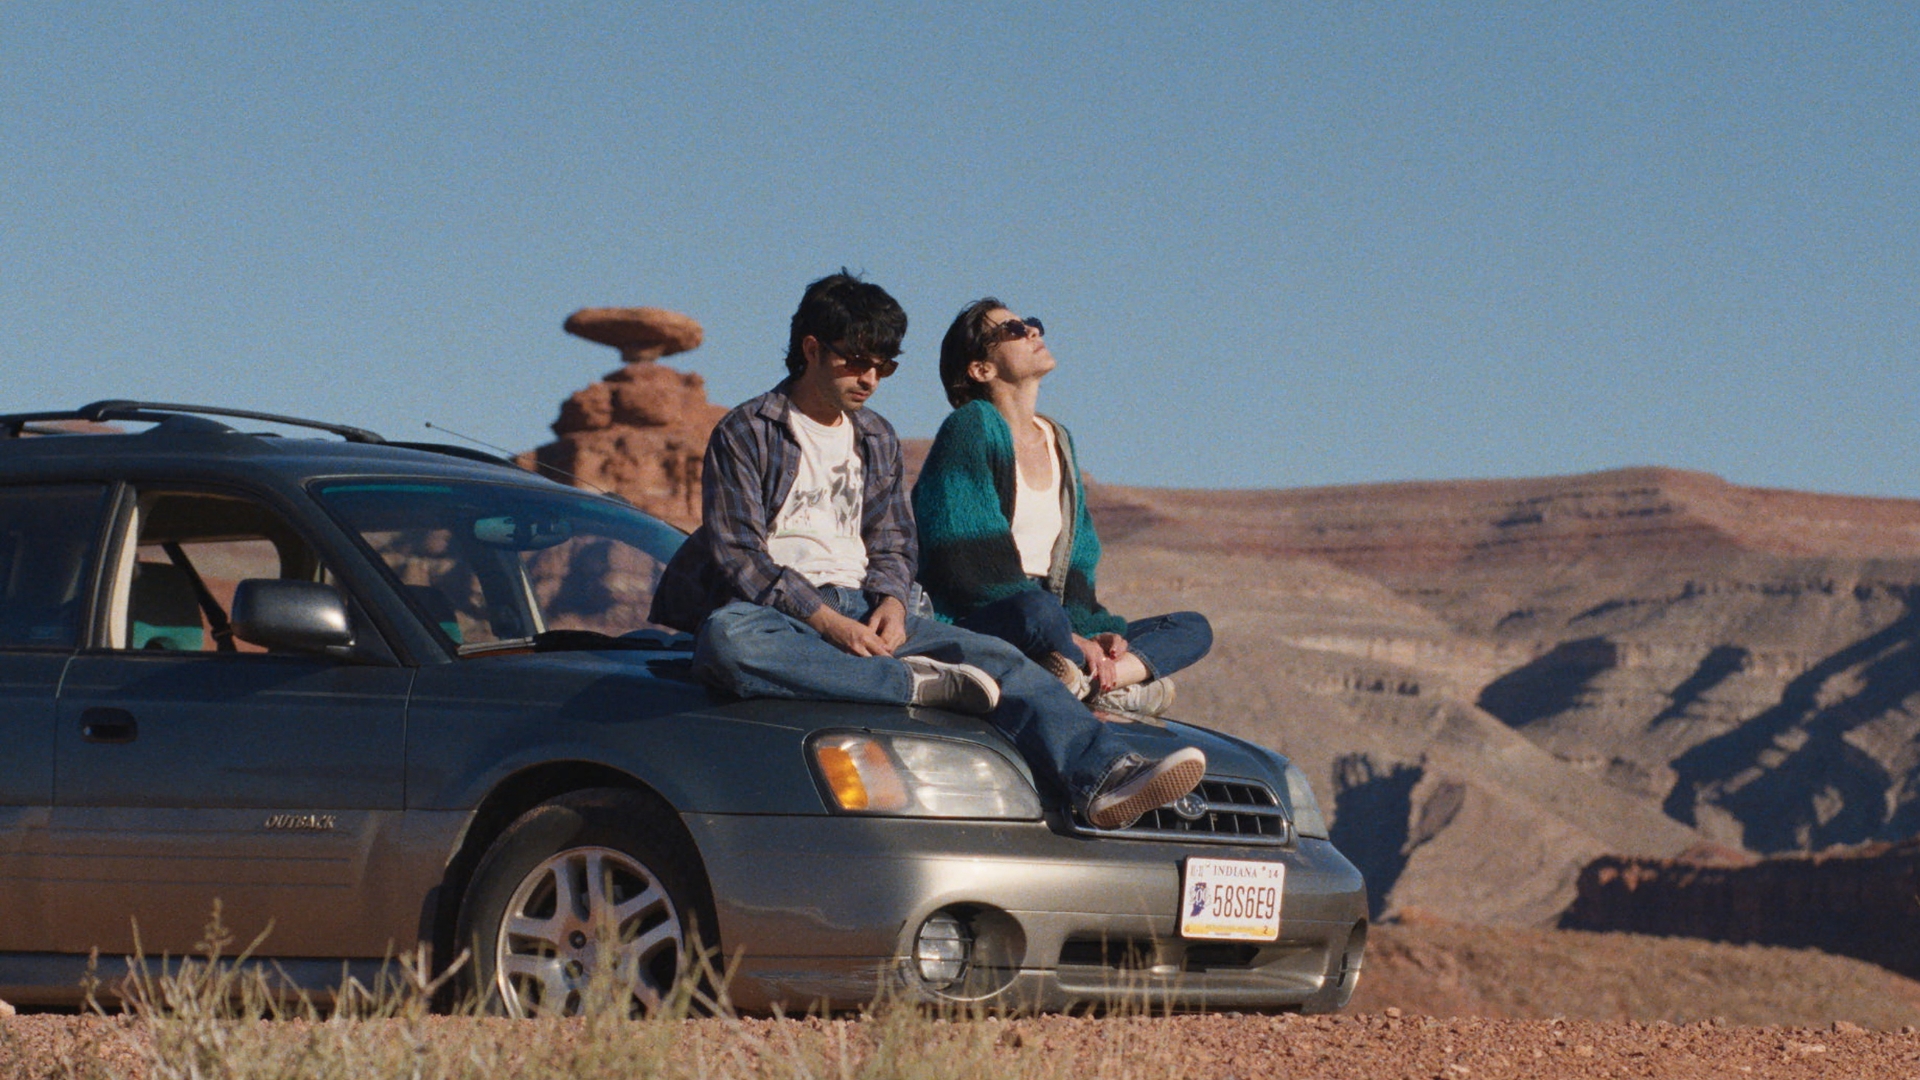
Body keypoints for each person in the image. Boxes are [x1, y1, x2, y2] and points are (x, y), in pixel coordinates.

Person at [649, 272, 1205, 830]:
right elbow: (739, 552)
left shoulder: (876, 436)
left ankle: (1105, 778)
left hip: (872, 608)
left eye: (885, 366)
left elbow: (893, 541)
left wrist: (890, 601)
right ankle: (916, 683)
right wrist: (829, 625)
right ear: (812, 349)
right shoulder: (748, 430)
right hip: (784, 614)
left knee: (1005, 662)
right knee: (727, 641)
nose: (871, 378)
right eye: (858, 361)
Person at [913, 298, 1213, 717]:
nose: (1033, 332)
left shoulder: (1059, 439)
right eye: (1013, 330)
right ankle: (1114, 680)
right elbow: (967, 561)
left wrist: (1094, 634)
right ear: (981, 369)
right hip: (990, 615)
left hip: (1056, 618)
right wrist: (1071, 637)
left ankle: (1091, 680)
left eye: (1031, 324)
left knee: (1192, 628)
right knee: (1038, 612)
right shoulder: (971, 427)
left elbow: (1079, 559)